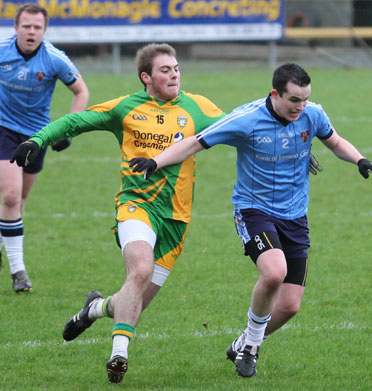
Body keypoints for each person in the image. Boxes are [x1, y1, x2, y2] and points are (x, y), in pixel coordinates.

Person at [125, 63, 372, 378]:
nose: (300, 108)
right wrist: (155, 160)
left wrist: (361, 160)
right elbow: (195, 142)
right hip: (254, 210)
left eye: (304, 99)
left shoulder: (312, 114)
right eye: (293, 101)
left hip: (296, 216)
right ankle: (251, 350)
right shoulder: (246, 119)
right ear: (275, 94)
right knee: (274, 272)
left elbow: (335, 141)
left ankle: (243, 342)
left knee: (289, 307)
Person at [10, 42, 228, 384]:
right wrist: (39, 140)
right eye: (165, 70)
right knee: (139, 269)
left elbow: (244, 127)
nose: (174, 75)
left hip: (176, 220)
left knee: (133, 300)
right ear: (146, 77)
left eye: (176, 68)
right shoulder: (126, 108)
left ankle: (94, 309)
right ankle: (118, 356)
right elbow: (76, 121)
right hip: (135, 207)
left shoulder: (197, 107)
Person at [0, 3, 89, 293]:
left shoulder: (54, 59)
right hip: (3, 128)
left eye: (37, 27)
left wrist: (67, 127)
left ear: (44, 31)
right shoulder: (2, 49)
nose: (31, 31)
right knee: (11, 198)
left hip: (37, 136)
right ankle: (18, 273)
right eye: (26, 26)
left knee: (19, 202)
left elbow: (81, 91)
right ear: (16, 28)